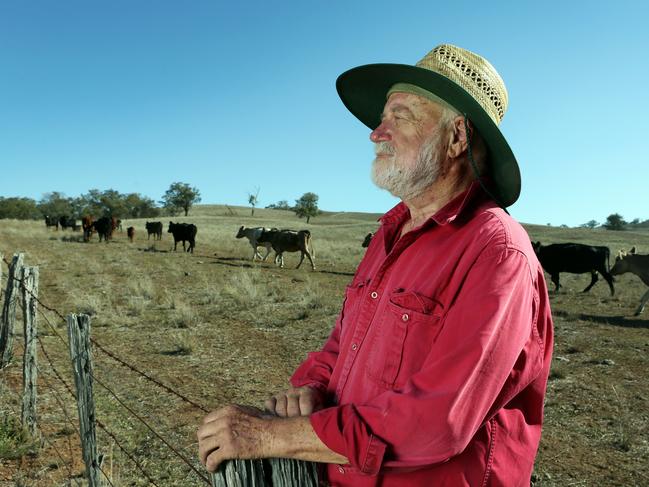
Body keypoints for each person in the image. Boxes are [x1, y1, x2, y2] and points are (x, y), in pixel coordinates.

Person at [198, 43, 554, 486]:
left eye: (398, 116)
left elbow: (437, 421)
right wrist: (311, 388)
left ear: (457, 137)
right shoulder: (390, 235)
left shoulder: (497, 253)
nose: (375, 133)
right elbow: (342, 345)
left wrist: (273, 436)